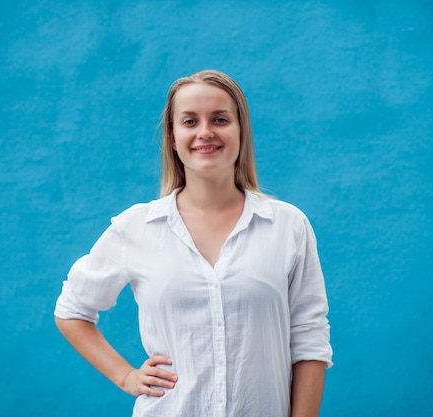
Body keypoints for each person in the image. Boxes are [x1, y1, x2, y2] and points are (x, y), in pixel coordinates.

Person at [54, 69, 333, 417]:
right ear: (172, 137)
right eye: (189, 121)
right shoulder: (136, 228)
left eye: (220, 119)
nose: (205, 132)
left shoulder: (287, 226)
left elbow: (309, 339)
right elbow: (72, 311)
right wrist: (125, 376)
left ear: (241, 130)